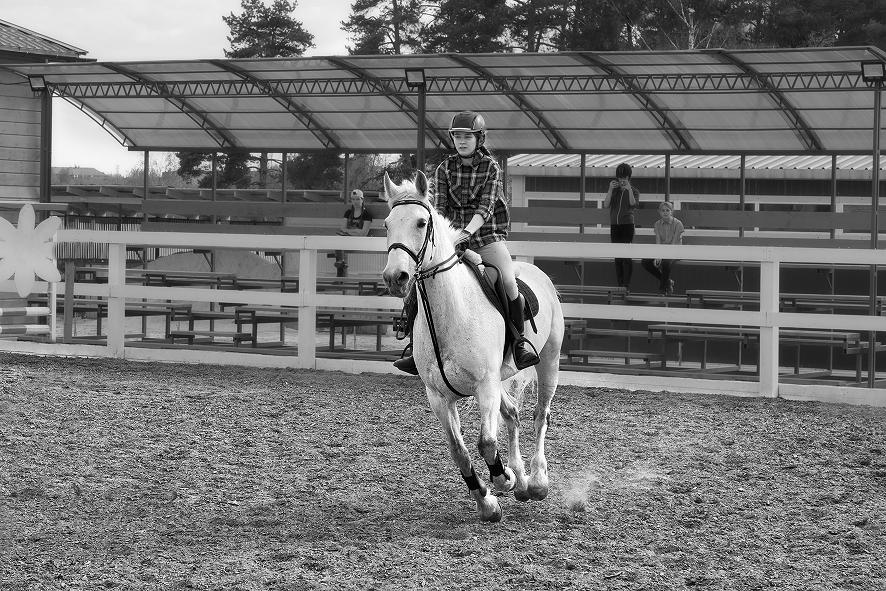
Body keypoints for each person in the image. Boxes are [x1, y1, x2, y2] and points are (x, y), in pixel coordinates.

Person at [393, 110, 540, 375]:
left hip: (486, 237)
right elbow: (438, 209)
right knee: (420, 278)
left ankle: (519, 343)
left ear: (479, 139)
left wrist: (466, 233)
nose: (461, 141)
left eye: (467, 137)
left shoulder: (492, 168)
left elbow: (485, 208)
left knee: (507, 279)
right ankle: (416, 348)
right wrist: (450, 237)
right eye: (457, 136)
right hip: (451, 240)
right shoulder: (444, 168)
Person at [603, 162, 639, 291]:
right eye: (620, 177)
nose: (622, 180)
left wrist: (629, 189)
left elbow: (632, 204)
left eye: (624, 177)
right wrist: (610, 189)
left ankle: (626, 284)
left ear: (629, 177)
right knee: (617, 256)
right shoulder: (615, 191)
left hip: (627, 225)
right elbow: (606, 204)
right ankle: (620, 284)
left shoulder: (634, 190)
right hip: (615, 225)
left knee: (626, 255)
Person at [641, 201, 684, 295]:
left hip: (675, 250)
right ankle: (668, 282)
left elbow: (674, 243)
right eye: (663, 210)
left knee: (666, 263)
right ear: (659, 212)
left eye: (667, 210)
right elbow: (658, 241)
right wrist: (658, 255)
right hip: (662, 251)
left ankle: (662, 289)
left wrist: (662, 255)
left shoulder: (678, 224)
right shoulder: (657, 224)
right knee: (645, 262)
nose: (665, 212)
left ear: (671, 211)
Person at [334, 189, 373, 276]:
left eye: (358, 199)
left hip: (360, 242)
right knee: (337, 238)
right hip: (347, 240)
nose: (355, 202)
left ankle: (341, 265)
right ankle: (341, 264)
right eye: (353, 199)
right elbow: (342, 228)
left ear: (362, 199)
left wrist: (348, 231)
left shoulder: (367, 214)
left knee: (340, 244)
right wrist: (356, 231)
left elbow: (364, 233)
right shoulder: (348, 213)